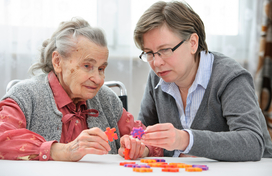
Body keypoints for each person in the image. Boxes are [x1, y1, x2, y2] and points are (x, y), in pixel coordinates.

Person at [0, 17, 162, 161]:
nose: (98, 79)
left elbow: (144, 135)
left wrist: (140, 146)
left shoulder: (107, 99)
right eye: (87, 66)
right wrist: (62, 150)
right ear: (57, 62)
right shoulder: (25, 95)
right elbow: (2, 136)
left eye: (101, 69)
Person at [132, 1, 272, 161]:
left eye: (165, 50)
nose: (156, 63)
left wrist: (185, 139)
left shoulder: (230, 77)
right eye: (149, 53)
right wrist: (137, 144)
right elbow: (143, 131)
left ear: (193, 43)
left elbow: (252, 143)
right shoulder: (158, 75)